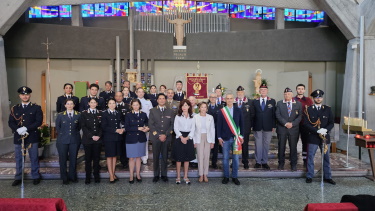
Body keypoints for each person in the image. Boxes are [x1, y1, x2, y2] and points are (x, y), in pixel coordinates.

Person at [8, 86, 43, 186]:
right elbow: (11, 122)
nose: (25, 96)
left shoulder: (36, 108)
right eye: (23, 94)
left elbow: (38, 122)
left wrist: (26, 128)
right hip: (18, 136)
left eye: (27, 94)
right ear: (19, 95)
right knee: (19, 158)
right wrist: (17, 129)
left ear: (30, 95)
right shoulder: (15, 108)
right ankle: (18, 177)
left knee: (34, 157)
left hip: (32, 136)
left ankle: (35, 176)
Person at [304, 89, 336, 185]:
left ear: (322, 98)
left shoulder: (327, 109)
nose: (319, 99)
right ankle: (309, 176)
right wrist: (317, 131)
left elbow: (331, 122)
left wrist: (325, 130)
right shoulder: (308, 109)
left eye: (320, 97)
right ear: (313, 98)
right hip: (313, 136)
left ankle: (328, 177)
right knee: (310, 157)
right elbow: (306, 124)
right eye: (317, 97)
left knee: (326, 157)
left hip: (325, 137)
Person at [217, 93, 244, 185]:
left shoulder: (238, 110)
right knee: (225, 158)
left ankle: (235, 177)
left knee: (236, 159)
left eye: (231, 98)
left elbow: (242, 124)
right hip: (225, 138)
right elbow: (219, 125)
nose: (229, 100)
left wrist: (242, 136)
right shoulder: (222, 111)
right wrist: (219, 137)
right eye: (227, 98)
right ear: (225, 100)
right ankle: (226, 177)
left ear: (234, 99)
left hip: (236, 138)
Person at [149, 94, 175, 183]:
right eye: (160, 99)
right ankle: (156, 175)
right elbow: (151, 125)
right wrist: (158, 135)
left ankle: (164, 174)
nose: (162, 100)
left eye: (163, 98)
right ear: (157, 100)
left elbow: (172, 125)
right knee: (156, 156)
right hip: (156, 138)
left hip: (166, 138)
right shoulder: (152, 111)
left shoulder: (170, 111)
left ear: (165, 100)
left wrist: (166, 135)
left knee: (165, 156)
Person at [275, 88, 302, 171]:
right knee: (281, 147)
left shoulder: (298, 104)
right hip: (282, 128)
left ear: (292, 95)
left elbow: (300, 116)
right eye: (285, 94)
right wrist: (286, 123)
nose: (287, 95)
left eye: (289, 94)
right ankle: (281, 163)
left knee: (293, 147)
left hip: (293, 129)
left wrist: (292, 124)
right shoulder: (279, 103)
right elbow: (277, 115)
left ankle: (293, 164)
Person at [55, 99, 81, 184]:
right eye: (68, 104)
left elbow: (79, 127)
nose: (69, 105)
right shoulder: (60, 115)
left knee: (73, 159)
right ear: (65, 105)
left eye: (71, 104)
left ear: (74, 105)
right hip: (62, 140)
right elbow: (58, 127)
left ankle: (72, 176)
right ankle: (64, 177)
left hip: (74, 139)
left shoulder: (78, 115)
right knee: (63, 159)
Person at [125, 99, 149, 184]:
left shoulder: (143, 114)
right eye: (134, 105)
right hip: (131, 139)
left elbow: (147, 123)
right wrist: (137, 128)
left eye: (137, 105)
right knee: (131, 158)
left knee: (138, 157)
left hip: (141, 138)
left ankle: (138, 174)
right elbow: (127, 127)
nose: (135, 106)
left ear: (139, 105)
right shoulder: (128, 115)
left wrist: (147, 128)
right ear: (131, 106)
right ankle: (131, 175)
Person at [252, 84, 276, 170]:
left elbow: (274, 114)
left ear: (267, 91)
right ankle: (258, 162)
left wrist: (273, 126)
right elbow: (252, 114)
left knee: (266, 144)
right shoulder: (254, 101)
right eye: (261, 90)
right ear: (259, 91)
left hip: (268, 126)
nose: (263, 91)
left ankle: (265, 161)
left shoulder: (272, 101)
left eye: (265, 90)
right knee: (258, 145)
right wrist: (252, 125)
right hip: (257, 126)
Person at [101, 99, 124, 183]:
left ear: (115, 104)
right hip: (109, 138)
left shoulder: (118, 113)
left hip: (117, 138)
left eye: (113, 103)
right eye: (110, 103)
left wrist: (122, 129)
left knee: (114, 156)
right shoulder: (104, 113)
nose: (112, 105)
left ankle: (113, 173)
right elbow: (104, 126)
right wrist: (115, 130)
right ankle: (110, 175)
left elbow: (121, 123)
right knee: (109, 156)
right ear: (107, 104)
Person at [173, 99, 195, 185]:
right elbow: (175, 128)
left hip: (188, 138)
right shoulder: (177, 116)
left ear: (189, 106)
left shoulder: (192, 116)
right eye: (183, 105)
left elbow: (193, 129)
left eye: (186, 105)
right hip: (179, 137)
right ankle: (178, 176)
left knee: (187, 159)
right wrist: (182, 137)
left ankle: (185, 176)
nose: (184, 107)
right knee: (178, 159)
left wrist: (187, 138)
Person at [80, 98, 102, 184]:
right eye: (91, 102)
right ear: (88, 103)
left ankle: (96, 176)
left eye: (94, 102)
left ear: (97, 104)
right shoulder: (84, 113)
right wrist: (91, 136)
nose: (93, 104)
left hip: (98, 140)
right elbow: (83, 127)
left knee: (96, 159)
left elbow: (101, 126)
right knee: (88, 159)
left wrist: (98, 136)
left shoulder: (100, 113)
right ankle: (88, 177)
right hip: (88, 140)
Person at [193, 102, 215, 182]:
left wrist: (212, 141)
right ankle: (201, 174)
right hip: (199, 138)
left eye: (205, 107)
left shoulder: (210, 117)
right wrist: (194, 141)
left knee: (206, 156)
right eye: (202, 107)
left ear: (207, 109)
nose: (203, 109)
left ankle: (205, 174)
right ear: (199, 108)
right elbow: (193, 129)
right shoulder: (195, 117)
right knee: (200, 156)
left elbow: (212, 129)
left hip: (208, 138)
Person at [235, 86, 255, 169]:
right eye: (239, 92)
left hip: (245, 127)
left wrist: (250, 126)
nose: (240, 94)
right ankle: (234, 161)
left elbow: (252, 115)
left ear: (244, 93)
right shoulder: (233, 101)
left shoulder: (249, 102)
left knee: (245, 145)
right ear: (237, 93)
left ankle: (245, 161)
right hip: (234, 127)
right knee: (234, 145)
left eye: (241, 92)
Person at [294, 84, 313, 167]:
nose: (300, 90)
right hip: (295, 124)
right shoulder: (292, 99)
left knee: (305, 142)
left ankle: (305, 160)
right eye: (299, 89)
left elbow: (312, 112)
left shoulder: (309, 100)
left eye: (302, 89)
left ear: (304, 90)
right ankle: (293, 158)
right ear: (296, 90)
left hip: (305, 125)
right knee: (293, 142)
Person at [135, 87, 153, 165]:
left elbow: (151, 115)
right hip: (135, 126)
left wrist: (148, 126)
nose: (141, 93)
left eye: (142, 92)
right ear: (136, 93)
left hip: (145, 125)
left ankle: (144, 158)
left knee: (145, 143)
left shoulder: (148, 102)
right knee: (136, 142)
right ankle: (137, 157)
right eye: (139, 92)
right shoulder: (133, 101)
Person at [115, 91, 131, 169]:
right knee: (116, 146)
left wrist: (124, 128)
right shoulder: (111, 105)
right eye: (117, 96)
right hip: (114, 131)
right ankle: (113, 163)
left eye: (120, 96)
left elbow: (128, 119)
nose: (118, 97)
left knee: (124, 146)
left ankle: (124, 162)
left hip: (125, 130)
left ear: (122, 97)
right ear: (115, 97)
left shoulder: (127, 106)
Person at [207, 92, 222, 169]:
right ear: (209, 98)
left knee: (215, 148)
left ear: (216, 98)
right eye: (211, 97)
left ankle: (214, 162)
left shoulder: (220, 107)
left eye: (214, 97)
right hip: (206, 131)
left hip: (216, 130)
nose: (213, 98)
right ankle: (205, 162)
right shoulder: (205, 107)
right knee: (206, 147)